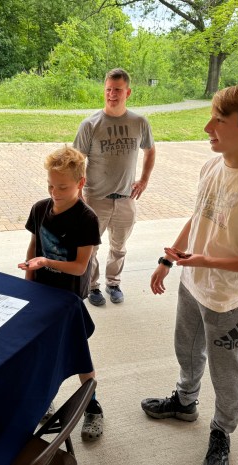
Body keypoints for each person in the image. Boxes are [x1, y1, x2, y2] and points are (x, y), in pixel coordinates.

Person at [140, 84, 238, 465]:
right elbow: (199, 215)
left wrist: (206, 261)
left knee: (226, 371)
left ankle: (222, 431)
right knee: (186, 349)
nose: (208, 127)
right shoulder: (212, 164)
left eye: (219, 121)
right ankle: (184, 402)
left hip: (228, 299)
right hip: (193, 283)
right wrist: (169, 259)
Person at [18, 145, 104, 441]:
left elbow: (81, 267)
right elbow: (33, 248)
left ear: (81, 183)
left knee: (80, 355)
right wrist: (30, 276)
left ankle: (92, 407)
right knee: (42, 352)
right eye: (51, 185)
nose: (55, 192)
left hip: (68, 301)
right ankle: (44, 400)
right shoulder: (40, 208)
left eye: (63, 187)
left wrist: (46, 262)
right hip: (40, 294)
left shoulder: (86, 218)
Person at [73, 67, 156, 306]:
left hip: (126, 199)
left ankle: (113, 283)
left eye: (117, 90)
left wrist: (144, 179)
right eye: (108, 89)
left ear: (127, 92)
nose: (112, 94)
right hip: (95, 198)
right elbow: (77, 161)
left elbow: (150, 150)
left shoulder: (139, 122)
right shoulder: (90, 124)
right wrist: (78, 194)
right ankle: (92, 286)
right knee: (91, 247)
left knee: (119, 247)